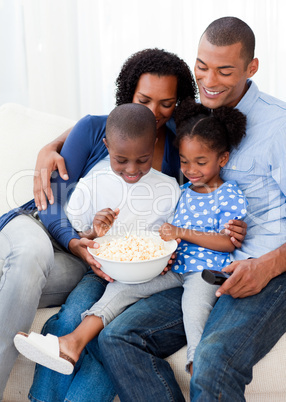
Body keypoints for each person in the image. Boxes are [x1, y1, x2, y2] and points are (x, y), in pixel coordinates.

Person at [94, 17, 286, 402]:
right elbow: (119, 129)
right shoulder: (195, 117)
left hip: (264, 272)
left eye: (224, 70)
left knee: (212, 359)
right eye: (202, 66)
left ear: (252, 68)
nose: (209, 80)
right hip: (198, 267)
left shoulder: (278, 125)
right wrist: (56, 145)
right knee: (117, 336)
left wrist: (270, 264)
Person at [0, 48, 197, 399]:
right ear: (128, 94)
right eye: (144, 99)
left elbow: (171, 219)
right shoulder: (95, 128)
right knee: (28, 260)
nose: (154, 112)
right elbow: (53, 201)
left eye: (166, 104)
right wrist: (77, 239)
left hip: (97, 260)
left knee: (86, 316)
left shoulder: (177, 154)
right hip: (45, 227)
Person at [14, 98, 248, 378]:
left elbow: (227, 241)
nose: (191, 169)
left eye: (200, 162)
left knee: (194, 307)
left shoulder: (223, 193)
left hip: (204, 271)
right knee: (119, 291)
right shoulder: (183, 191)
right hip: (171, 267)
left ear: (222, 159)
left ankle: (200, 366)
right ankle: (71, 342)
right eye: (185, 162)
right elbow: (162, 234)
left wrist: (179, 235)